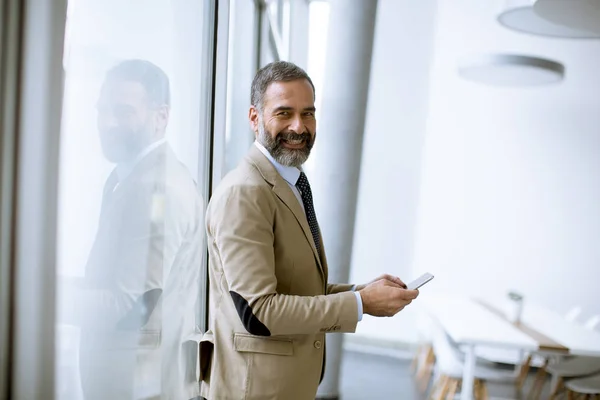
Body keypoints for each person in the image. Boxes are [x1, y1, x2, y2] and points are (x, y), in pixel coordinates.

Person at [200, 61, 420, 400]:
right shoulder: (245, 193)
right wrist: (360, 303)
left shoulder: (291, 183)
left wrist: (364, 290)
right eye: (284, 113)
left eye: (309, 114)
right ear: (254, 118)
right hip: (256, 389)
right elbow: (259, 312)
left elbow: (298, 287)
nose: (299, 127)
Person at [60, 59, 204, 400]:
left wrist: (35, 301)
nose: (107, 122)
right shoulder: (135, 178)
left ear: (161, 117)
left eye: (123, 111)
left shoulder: (158, 189)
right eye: (103, 110)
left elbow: (133, 304)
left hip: (140, 387)